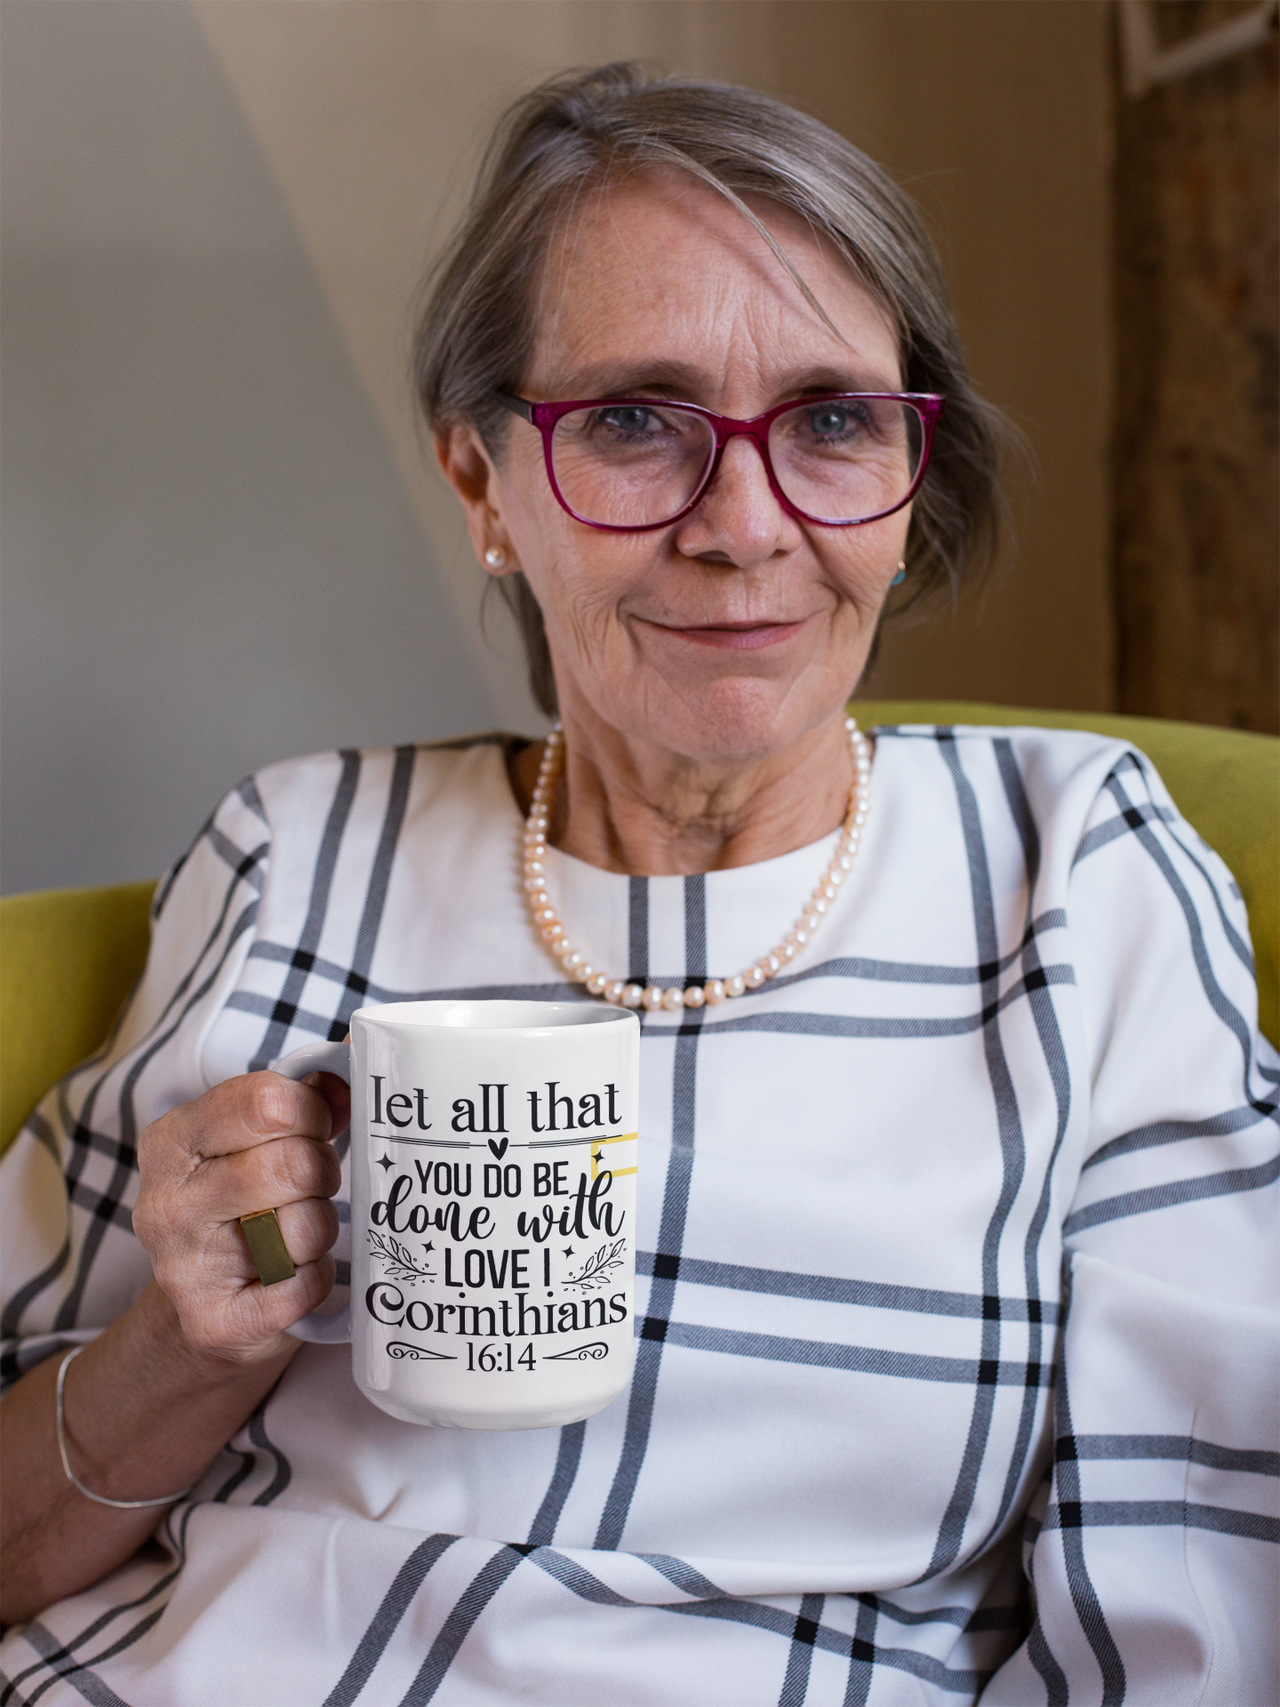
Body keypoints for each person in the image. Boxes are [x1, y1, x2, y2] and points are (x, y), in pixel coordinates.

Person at [1, 62, 1275, 1707]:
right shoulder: (291, 852)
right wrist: (182, 1343)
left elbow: (1209, 1600)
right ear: (484, 484)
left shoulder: (1074, 871)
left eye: (831, 420)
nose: (745, 525)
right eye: (630, 421)